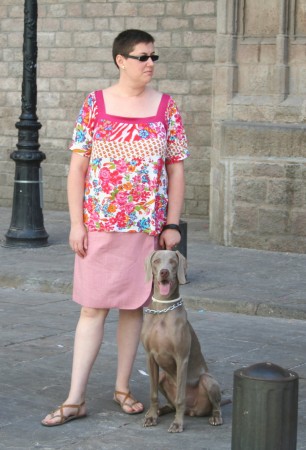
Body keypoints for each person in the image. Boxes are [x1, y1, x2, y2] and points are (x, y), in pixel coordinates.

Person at [41, 29, 189, 426]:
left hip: (145, 230)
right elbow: (77, 169)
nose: (150, 64)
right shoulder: (95, 104)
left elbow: (175, 170)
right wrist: (76, 223)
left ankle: (123, 388)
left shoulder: (166, 107)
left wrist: (171, 224)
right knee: (92, 308)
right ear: (121, 60)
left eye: (154, 57)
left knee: (133, 308)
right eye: (142, 57)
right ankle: (75, 399)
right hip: (101, 225)